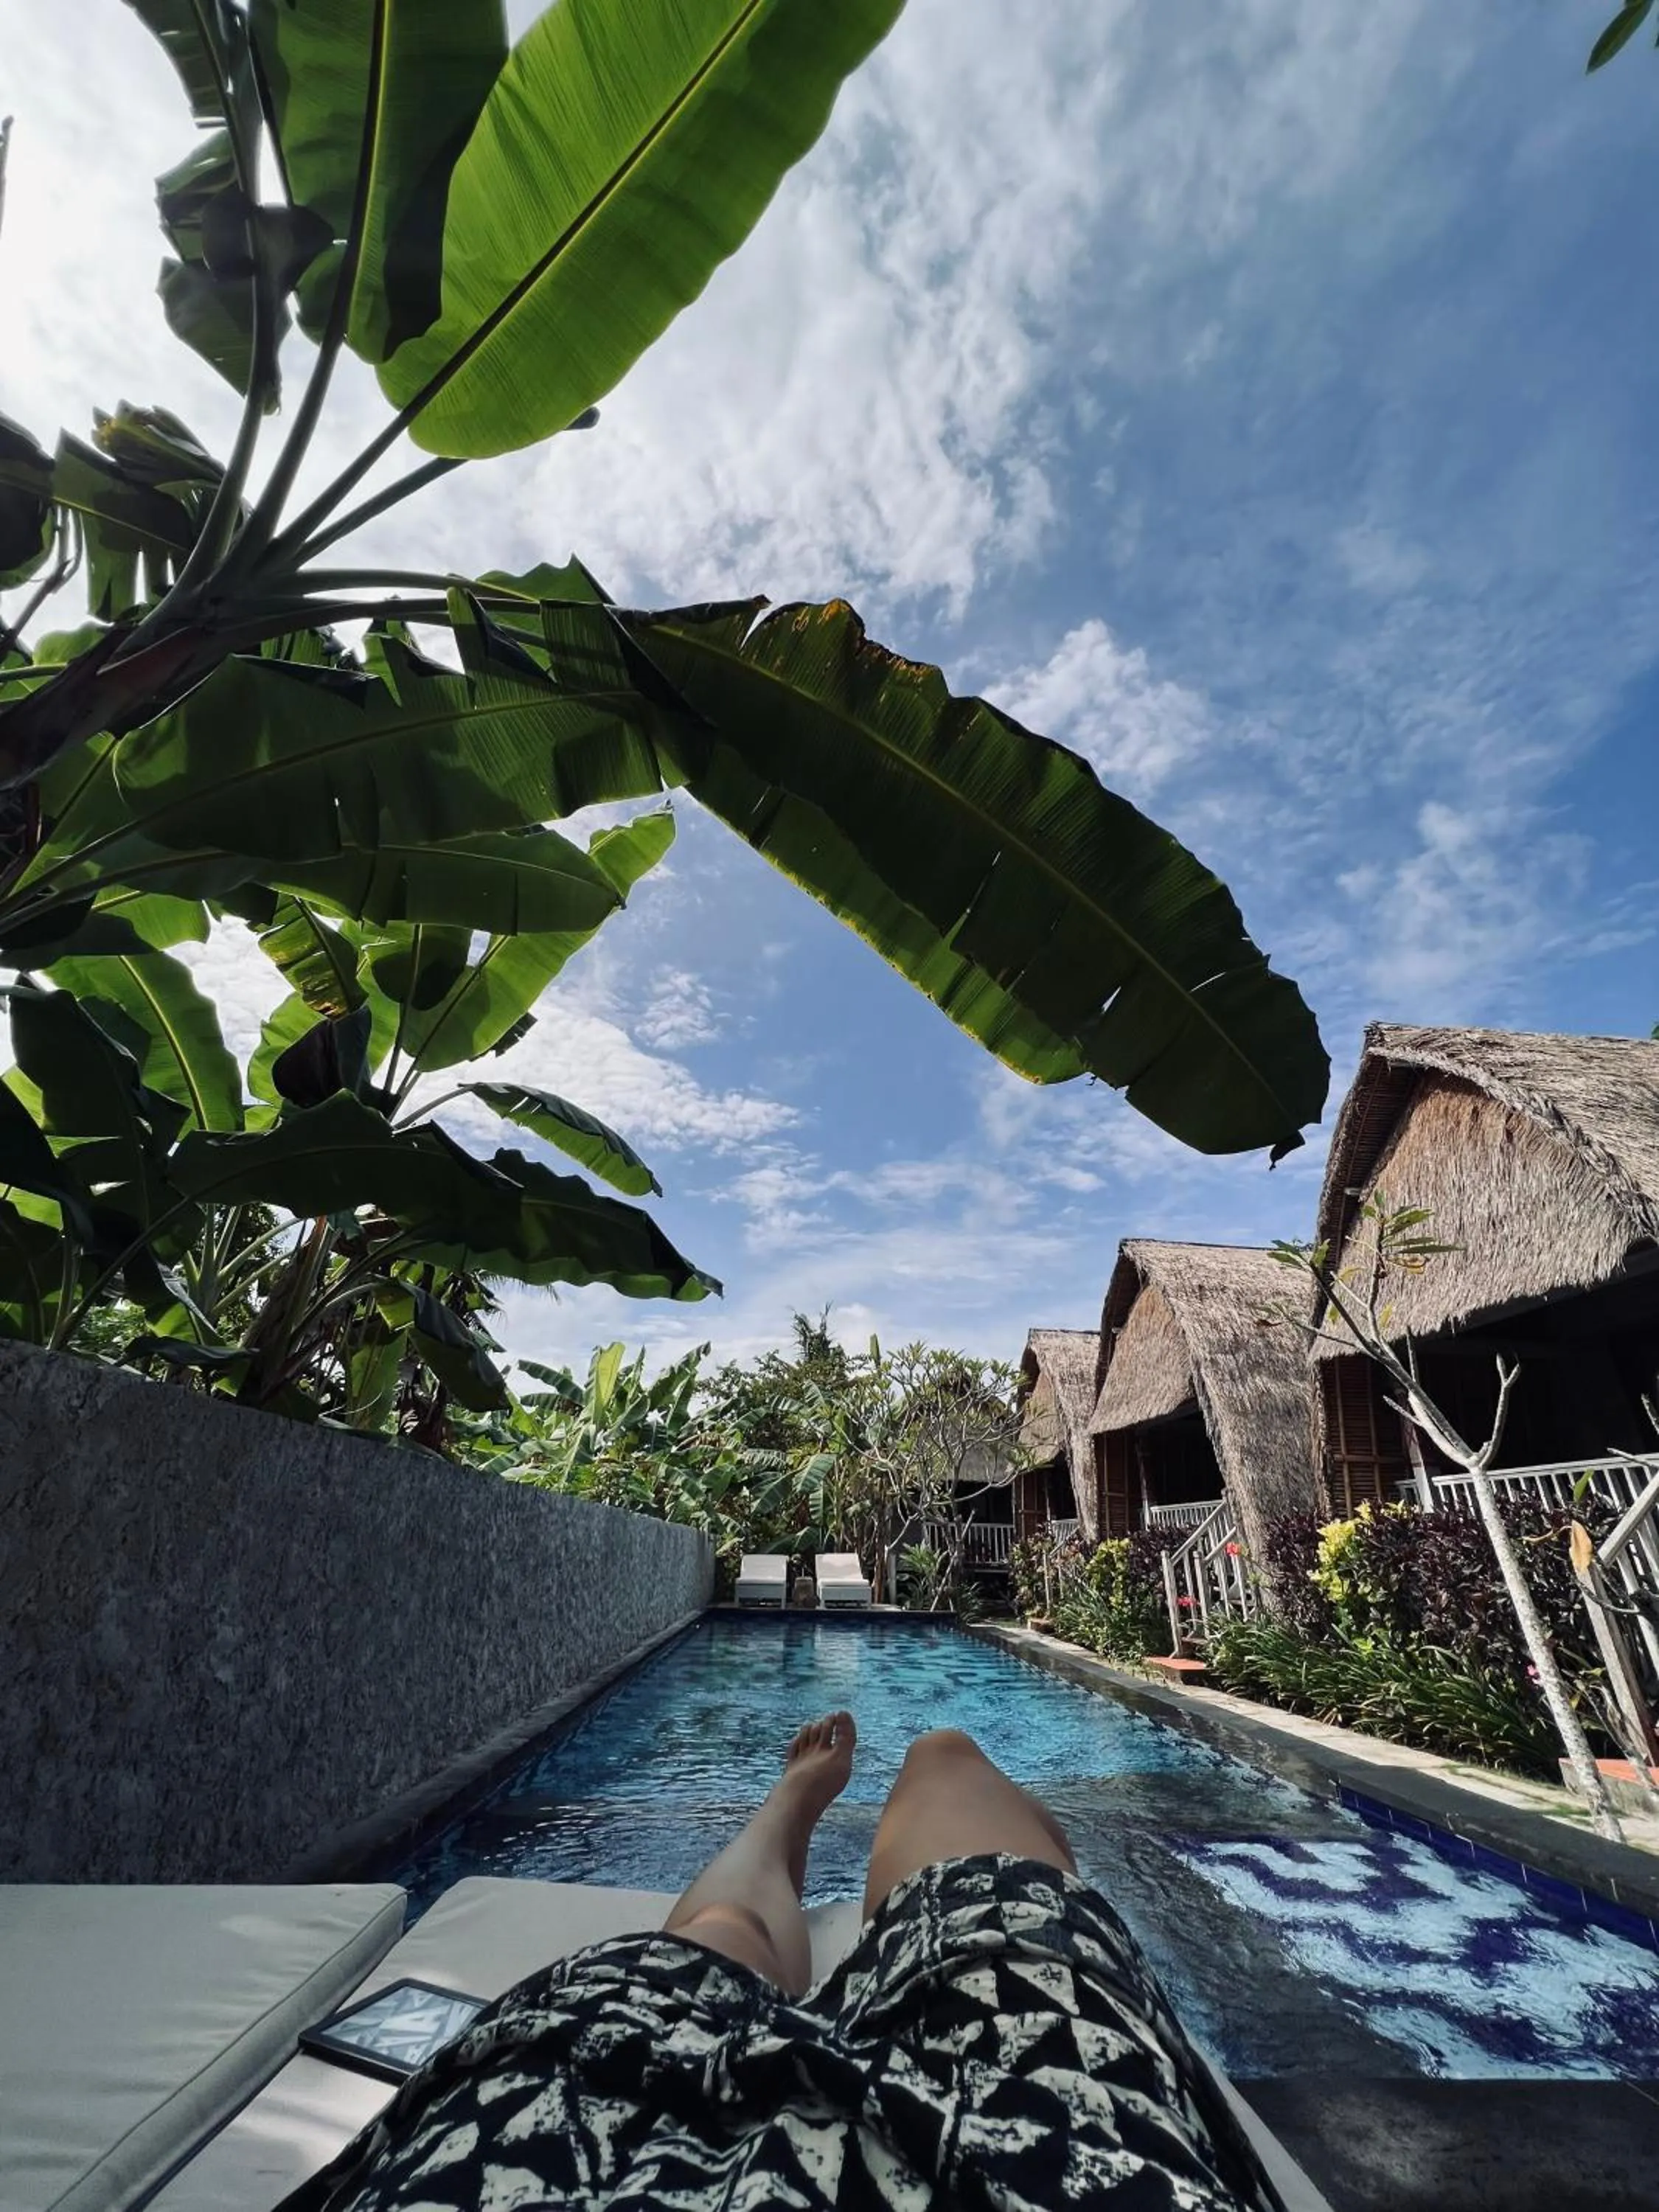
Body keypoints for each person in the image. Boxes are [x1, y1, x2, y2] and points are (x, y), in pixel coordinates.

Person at [283, 1715, 1281, 2211]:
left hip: (542, 2163)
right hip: (1043, 2150)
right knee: (954, 1789)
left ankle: (784, 1815)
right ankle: (880, 1805)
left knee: (696, 1955)